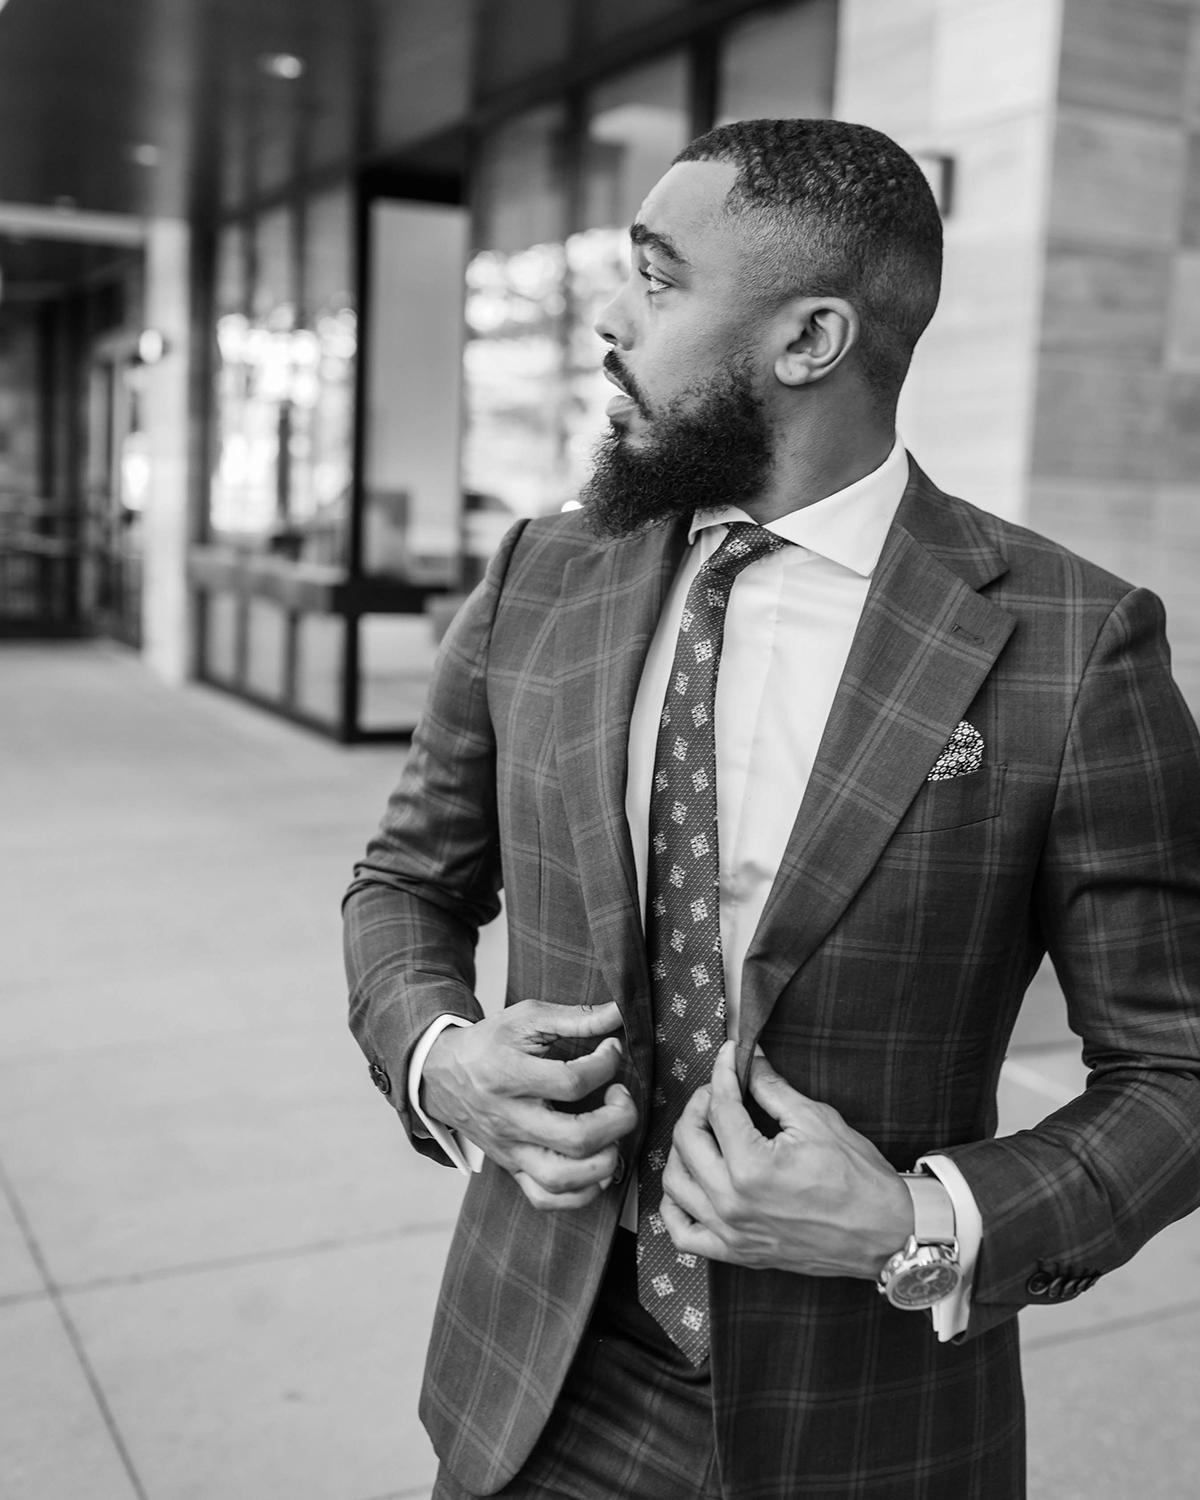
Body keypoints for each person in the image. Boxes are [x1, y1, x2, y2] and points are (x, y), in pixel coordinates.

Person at [343, 118, 1200, 1499]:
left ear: (809, 342)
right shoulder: (544, 570)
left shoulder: (1068, 641)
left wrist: (916, 1221)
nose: (608, 323)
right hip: (534, 1385)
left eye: (658, 278)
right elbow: (405, 883)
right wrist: (441, 1061)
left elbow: (1178, 1068)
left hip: (866, 1421)